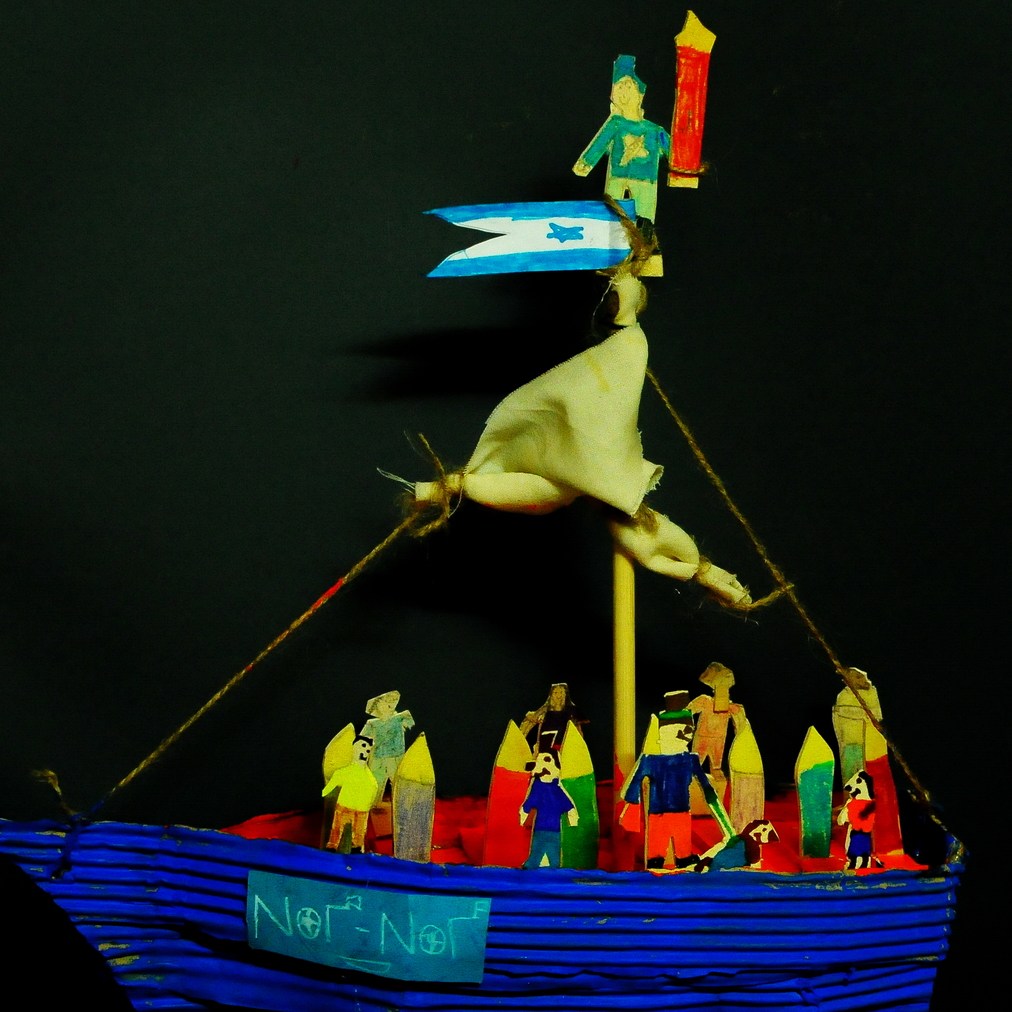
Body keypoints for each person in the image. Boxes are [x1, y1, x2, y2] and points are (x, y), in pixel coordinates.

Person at [620, 691, 734, 869]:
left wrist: (721, 816)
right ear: (665, 732)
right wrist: (632, 805)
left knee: (683, 855)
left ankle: (681, 861)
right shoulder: (651, 760)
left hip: (681, 814)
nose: (687, 737)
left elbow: (706, 787)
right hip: (658, 814)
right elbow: (634, 783)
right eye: (683, 731)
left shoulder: (689, 760)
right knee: (656, 857)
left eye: (689, 731)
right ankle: (659, 865)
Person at [573, 54, 671, 227]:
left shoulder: (655, 131)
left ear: (640, 95)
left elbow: (675, 153)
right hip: (616, 179)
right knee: (612, 219)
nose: (623, 91)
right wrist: (586, 163)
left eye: (629, 86)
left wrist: (686, 167)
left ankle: (644, 240)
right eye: (619, 87)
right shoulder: (615, 124)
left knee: (645, 219)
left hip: (646, 181)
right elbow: (600, 142)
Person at [520, 750, 579, 869]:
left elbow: (568, 805)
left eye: (546, 760)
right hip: (542, 828)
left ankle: (548, 869)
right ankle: (533, 867)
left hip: (553, 830)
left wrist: (573, 821)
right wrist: (523, 815)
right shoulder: (538, 787)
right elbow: (530, 802)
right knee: (538, 853)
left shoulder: (556, 789)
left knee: (553, 856)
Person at [322, 735, 381, 853]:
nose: (365, 752)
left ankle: (356, 850)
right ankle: (332, 847)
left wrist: (369, 804)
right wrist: (324, 792)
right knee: (337, 828)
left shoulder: (369, 777)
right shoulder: (345, 772)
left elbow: (374, 788)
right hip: (344, 805)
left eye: (368, 750)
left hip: (361, 809)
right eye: (363, 746)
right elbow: (329, 787)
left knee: (358, 833)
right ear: (355, 747)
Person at [361, 690, 415, 795]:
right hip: (378, 759)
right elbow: (362, 739)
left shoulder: (401, 717)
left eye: (390, 702)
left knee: (398, 783)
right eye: (383, 702)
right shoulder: (371, 723)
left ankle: (400, 802)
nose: (387, 705)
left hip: (396, 757)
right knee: (375, 785)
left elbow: (410, 724)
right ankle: (373, 802)